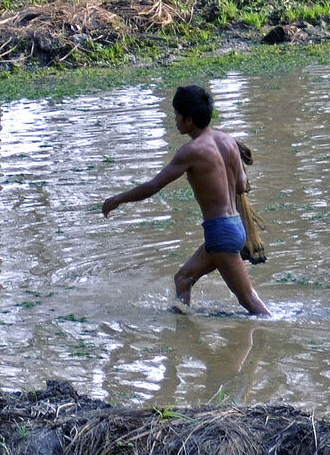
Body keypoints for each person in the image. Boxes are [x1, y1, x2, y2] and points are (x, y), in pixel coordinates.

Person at [100, 84, 272, 318]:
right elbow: (242, 186)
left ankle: (277, 333)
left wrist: (117, 200)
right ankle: (182, 332)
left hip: (220, 233)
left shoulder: (192, 151)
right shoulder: (229, 141)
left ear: (189, 119)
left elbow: (154, 186)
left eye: (176, 115)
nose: (175, 119)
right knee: (183, 279)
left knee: (249, 300)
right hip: (233, 227)